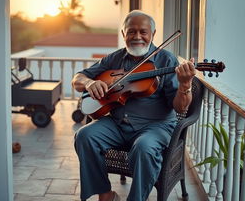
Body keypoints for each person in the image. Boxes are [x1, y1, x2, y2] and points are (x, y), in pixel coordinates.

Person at [72, 10, 196, 201]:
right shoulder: (114, 59)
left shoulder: (167, 61)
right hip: (117, 124)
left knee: (144, 148)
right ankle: (106, 195)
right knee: (84, 135)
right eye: (131, 32)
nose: (137, 37)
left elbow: (180, 108)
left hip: (156, 126)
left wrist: (185, 85)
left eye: (143, 32)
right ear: (123, 34)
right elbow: (77, 78)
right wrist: (89, 83)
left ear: (153, 34)